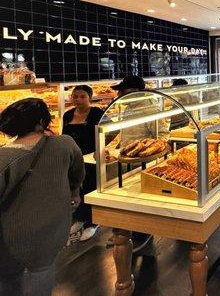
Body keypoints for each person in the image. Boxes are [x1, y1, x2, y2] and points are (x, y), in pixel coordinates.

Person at [0, 98, 84, 296]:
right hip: (53, 227)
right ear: (41, 121)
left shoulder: (4, 158)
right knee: (43, 270)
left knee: (8, 276)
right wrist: (74, 193)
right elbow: (77, 173)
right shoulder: (65, 144)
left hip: (11, 233)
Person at [108, 75, 169, 253]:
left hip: (144, 161)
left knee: (141, 198)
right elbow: (125, 132)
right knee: (129, 197)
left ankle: (143, 233)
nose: (119, 93)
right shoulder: (129, 108)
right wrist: (111, 147)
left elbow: (163, 134)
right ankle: (127, 231)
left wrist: (153, 152)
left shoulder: (149, 108)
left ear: (134, 92)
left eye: (122, 90)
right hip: (128, 158)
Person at [62, 85, 104, 241]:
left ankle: (93, 222)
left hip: (91, 159)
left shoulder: (97, 113)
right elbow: (64, 136)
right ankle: (80, 217)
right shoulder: (67, 115)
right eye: (75, 96)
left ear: (90, 98)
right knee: (77, 188)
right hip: (73, 157)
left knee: (91, 188)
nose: (78, 100)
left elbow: (109, 131)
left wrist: (100, 149)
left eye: (82, 96)